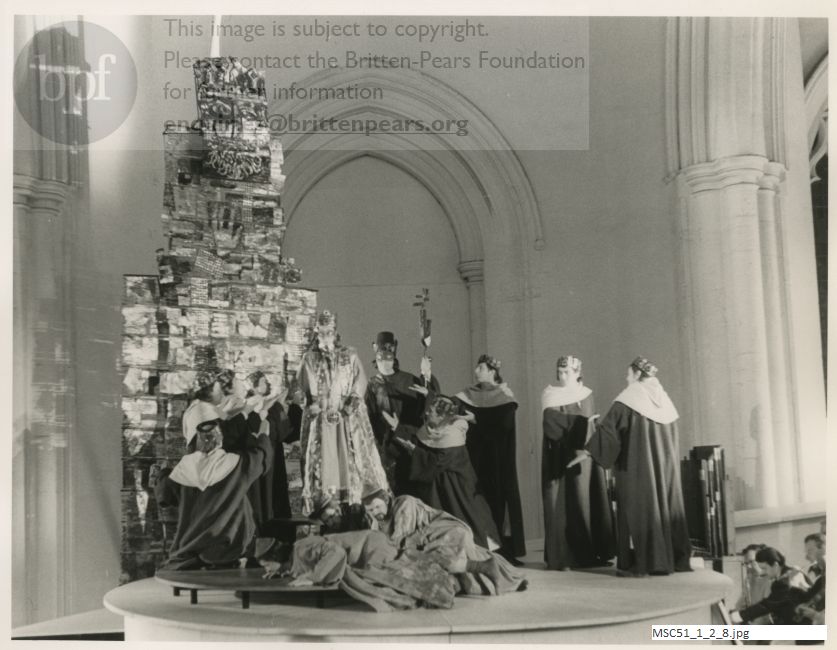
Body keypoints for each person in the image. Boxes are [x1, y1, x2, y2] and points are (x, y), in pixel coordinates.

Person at [569, 357, 691, 576]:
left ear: (636, 375)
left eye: (628, 374)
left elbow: (609, 430)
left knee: (640, 509)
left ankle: (644, 563)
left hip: (638, 470)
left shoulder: (630, 399)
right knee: (665, 506)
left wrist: (587, 451)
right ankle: (672, 559)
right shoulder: (665, 401)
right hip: (665, 472)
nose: (626, 379)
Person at [155, 402, 272, 569]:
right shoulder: (238, 465)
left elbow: (164, 495)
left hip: (189, 553)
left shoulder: (180, 472)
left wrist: (162, 473)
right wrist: (263, 435)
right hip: (230, 552)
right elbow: (262, 457)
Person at [297, 310, 389, 515]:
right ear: (317, 332)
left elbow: (360, 384)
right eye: (322, 332)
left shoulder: (350, 355)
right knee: (325, 462)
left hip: (346, 420)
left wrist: (346, 410)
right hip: (321, 420)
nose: (325, 336)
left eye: (329, 331)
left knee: (350, 457)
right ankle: (327, 506)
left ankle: (355, 503)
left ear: (335, 332)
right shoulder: (309, 358)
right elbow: (300, 389)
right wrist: (310, 403)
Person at [361, 488, 527, 595]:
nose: (375, 512)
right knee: (472, 563)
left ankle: (499, 576)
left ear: (387, 500)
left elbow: (399, 541)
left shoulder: (404, 503)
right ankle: (509, 578)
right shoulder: (384, 519)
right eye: (370, 510)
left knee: (447, 565)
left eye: (377, 507)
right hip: (438, 536)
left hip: (447, 532)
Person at [259, 528, 457, 612]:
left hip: (371, 546)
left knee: (389, 577)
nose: (266, 569)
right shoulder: (294, 553)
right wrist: (282, 570)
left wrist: (313, 577)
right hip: (367, 549)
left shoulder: (301, 546)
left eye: (266, 564)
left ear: (274, 556)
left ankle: (447, 580)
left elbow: (335, 551)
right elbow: (298, 564)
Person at [541, 355, 615, 570]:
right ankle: (565, 557)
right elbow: (550, 423)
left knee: (586, 502)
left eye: (567, 372)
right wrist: (582, 424)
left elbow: (592, 425)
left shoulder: (586, 394)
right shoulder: (549, 395)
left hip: (584, 459)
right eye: (560, 372)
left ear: (577, 373)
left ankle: (592, 552)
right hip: (559, 457)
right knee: (563, 506)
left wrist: (588, 434)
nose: (562, 376)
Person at [407, 394, 501, 552]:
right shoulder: (432, 428)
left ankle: (478, 551)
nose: (427, 413)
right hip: (441, 486)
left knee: (467, 516)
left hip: (459, 487)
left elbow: (438, 461)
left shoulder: (453, 434)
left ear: (442, 416)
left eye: (431, 411)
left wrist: (414, 451)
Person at [456, 354, 526, 565]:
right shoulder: (467, 395)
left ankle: (502, 550)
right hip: (474, 460)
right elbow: (450, 408)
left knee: (498, 503)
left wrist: (477, 419)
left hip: (498, 461)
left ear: (492, 372)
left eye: (481, 368)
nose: (476, 371)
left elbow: (503, 426)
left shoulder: (505, 396)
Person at [365, 331, 435, 495]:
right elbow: (369, 418)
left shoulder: (409, 380)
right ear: (376, 357)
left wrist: (428, 380)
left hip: (409, 443)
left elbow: (428, 408)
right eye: (381, 358)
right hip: (385, 448)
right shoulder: (374, 385)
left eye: (389, 358)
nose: (385, 363)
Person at [244, 370, 295, 528]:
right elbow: (263, 422)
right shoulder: (254, 402)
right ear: (254, 386)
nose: (267, 384)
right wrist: (278, 405)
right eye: (263, 382)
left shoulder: (254, 402)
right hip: (264, 450)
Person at [730, 547, 810, 625]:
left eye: (764, 568)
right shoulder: (790, 573)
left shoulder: (784, 580)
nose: (762, 572)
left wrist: (737, 616)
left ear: (775, 565)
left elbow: (766, 605)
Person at [734, 543, 772, 625]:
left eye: (752, 562)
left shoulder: (772, 580)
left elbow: (766, 616)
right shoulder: (748, 580)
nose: (749, 567)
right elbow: (740, 605)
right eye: (746, 563)